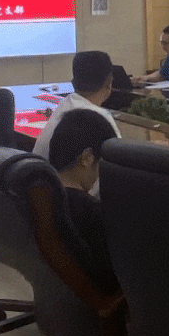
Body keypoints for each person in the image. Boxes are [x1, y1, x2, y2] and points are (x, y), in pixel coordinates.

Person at [46, 107, 118, 284]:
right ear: (87, 158)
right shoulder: (91, 212)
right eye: (100, 163)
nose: (98, 175)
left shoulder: (39, 196)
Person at [33, 50, 121, 166]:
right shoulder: (100, 118)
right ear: (109, 82)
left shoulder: (65, 105)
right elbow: (120, 162)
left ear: (73, 82)